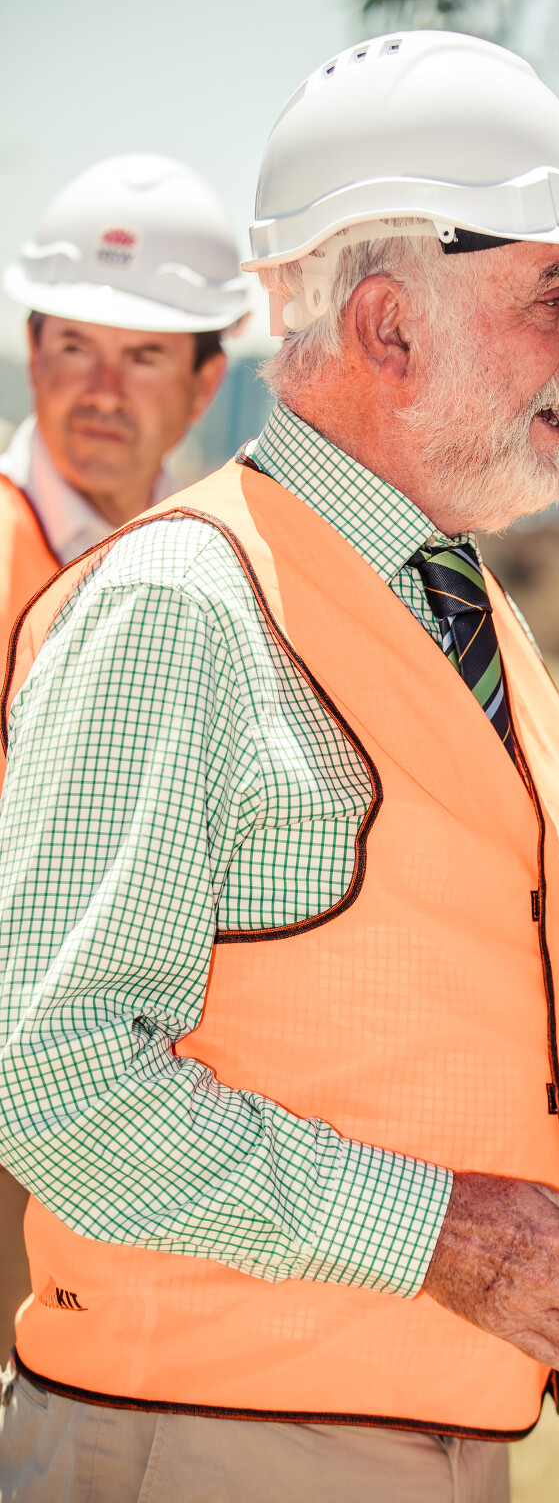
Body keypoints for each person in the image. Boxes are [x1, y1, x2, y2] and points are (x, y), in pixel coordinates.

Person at [0, 32, 559, 1503]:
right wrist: (441, 1238)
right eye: (553, 293)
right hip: (203, 1450)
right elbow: (51, 1076)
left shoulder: (455, 603)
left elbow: (410, 1021)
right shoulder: (180, 607)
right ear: (388, 328)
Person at [0, 152, 250, 1366]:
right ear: (30, 348)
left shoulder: (209, 565)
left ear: (206, 381)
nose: (100, 390)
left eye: (143, 355)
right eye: (73, 347)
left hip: (127, 1100)